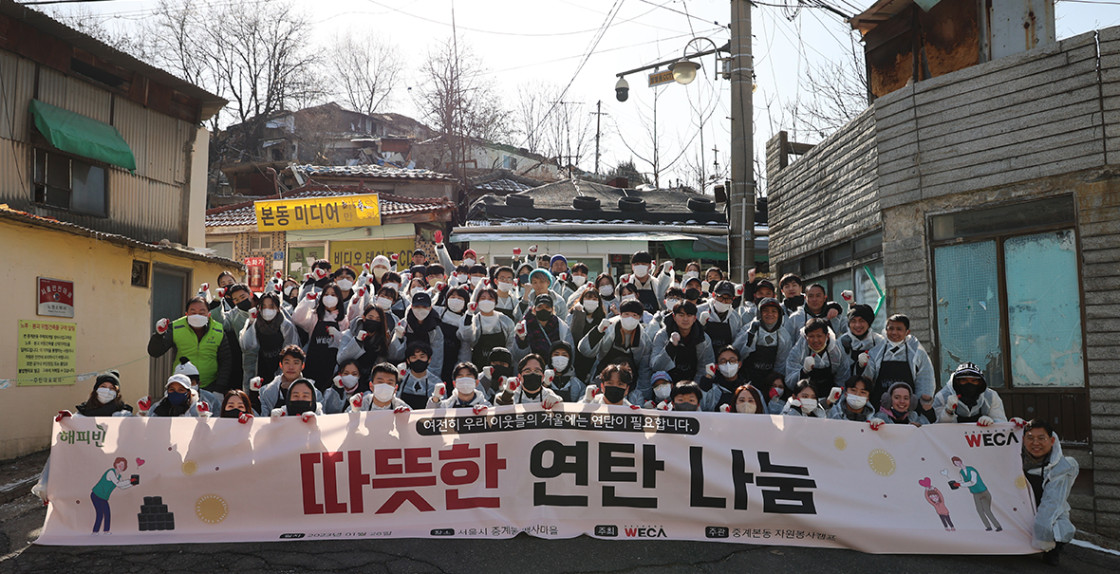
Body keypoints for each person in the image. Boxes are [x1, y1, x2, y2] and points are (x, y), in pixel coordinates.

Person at [148, 296, 234, 394]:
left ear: (209, 314)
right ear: (186, 314)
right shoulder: (176, 327)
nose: (197, 316)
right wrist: (159, 335)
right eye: (193, 312)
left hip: (210, 385)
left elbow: (226, 361)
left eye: (201, 313)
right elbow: (155, 352)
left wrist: (219, 388)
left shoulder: (218, 330)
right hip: (181, 386)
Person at [1022, 419, 1079, 564]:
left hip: (1047, 511)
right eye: (1030, 438)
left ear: (1052, 440)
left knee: (1062, 528)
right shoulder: (1015, 459)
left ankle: (1052, 550)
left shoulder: (1063, 466)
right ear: (1023, 440)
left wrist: (1043, 536)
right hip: (1019, 507)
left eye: (1041, 438)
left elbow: (1052, 502)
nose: (1035, 443)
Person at [579, 300, 653, 403]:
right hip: (604, 374)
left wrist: (644, 395)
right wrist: (598, 331)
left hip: (628, 380)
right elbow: (584, 350)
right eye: (626, 314)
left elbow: (644, 369)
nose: (630, 318)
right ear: (620, 314)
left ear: (640, 318)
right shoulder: (608, 327)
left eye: (634, 315)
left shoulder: (644, 339)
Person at [864, 314, 936, 410]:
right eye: (891, 328)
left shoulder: (916, 352)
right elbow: (867, 380)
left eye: (899, 329)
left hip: (907, 408)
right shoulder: (876, 352)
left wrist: (920, 405)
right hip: (880, 407)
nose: (894, 332)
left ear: (907, 332)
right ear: (886, 330)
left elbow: (925, 380)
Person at [239, 292, 301, 393]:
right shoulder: (256, 323)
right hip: (260, 367)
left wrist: (281, 374)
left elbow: (290, 350)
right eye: (264, 306)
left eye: (271, 306)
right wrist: (250, 322)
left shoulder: (286, 325)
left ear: (278, 308)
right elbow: (246, 345)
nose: (267, 310)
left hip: (279, 366)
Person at [292, 284, 348, 392]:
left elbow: (345, 343)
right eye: (326, 294)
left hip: (332, 364)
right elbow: (297, 318)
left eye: (333, 294)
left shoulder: (343, 320)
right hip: (313, 362)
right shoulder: (315, 315)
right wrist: (307, 301)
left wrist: (338, 335)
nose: (329, 297)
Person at [651, 300, 716, 386]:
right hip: (667, 383)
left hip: (693, 383)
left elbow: (706, 367)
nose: (685, 319)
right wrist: (671, 346)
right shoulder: (662, 335)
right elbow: (656, 366)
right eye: (681, 315)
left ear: (694, 318)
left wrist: (694, 388)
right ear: (674, 316)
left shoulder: (703, 338)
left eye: (689, 315)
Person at [735, 297, 794, 388]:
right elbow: (738, 354)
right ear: (760, 313)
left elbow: (781, 364)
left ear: (779, 314)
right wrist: (750, 336)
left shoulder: (784, 335)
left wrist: (774, 383)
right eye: (766, 311)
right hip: (746, 377)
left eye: (774, 311)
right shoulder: (748, 329)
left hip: (769, 380)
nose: (770, 314)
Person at [784, 317, 845, 399]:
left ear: (827, 336)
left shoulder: (837, 352)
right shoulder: (798, 352)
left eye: (819, 336)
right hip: (804, 398)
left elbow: (843, 377)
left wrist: (836, 398)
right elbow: (789, 381)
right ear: (805, 337)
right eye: (811, 336)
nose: (815, 340)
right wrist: (804, 371)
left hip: (829, 397)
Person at [389, 291, 445, 377]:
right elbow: (393, 355)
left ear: (430, 308)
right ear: (411, 307)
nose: (420, 310)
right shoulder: (403, 324)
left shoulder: (435, 329)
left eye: (424, 307)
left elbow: (436, 359)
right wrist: (398, 339)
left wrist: (430, 378)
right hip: (403, 369)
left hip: (426, 370)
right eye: (417, 306)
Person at [256, 345, 324, 415]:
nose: (291, 367)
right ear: (281, 365)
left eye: (296, 363)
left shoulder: (315, 393)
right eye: (287, 363)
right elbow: (263, 418)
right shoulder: (267, 392)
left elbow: (322, 417)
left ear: (302, 366)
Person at [933, 362, 1007, 425]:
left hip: (981, 436)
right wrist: (948, 411)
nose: (969, 384)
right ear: (957, 382)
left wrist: (992, 423)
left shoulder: (990, 396)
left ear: (980, 383)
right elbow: (935, 428)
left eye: (974, 381)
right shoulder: (942, 396)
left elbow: (1002, 424)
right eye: (964, 380)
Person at [461, 286, 516, 370]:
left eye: (490, 299)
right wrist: (469, 314)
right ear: (477, 302)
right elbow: (467, 340)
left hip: (501, 366)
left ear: (496, 302)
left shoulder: (505, 320)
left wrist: (505, 361)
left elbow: (511, 343)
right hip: (479, 366)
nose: (486, 301)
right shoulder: (474, 320)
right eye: (483, 298)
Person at [337, 305, 393, 381]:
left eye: (377, 319)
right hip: (347, 377)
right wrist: (357, 341)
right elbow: (340, 359)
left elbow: (379, 364)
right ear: (364, 317)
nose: (373, 321)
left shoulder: (382, 339)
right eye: (370, 317)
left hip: (367, 380)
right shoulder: (349, 334)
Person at [511, 294, 574, 362]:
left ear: (552, 309)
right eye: (540, 307)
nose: (543, 309)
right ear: (534, 309)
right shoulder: (525, 326)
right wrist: (521, 340)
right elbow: (517, 356)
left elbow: (570, 351)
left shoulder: (562, 327)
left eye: (547, 307)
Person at [950, 455, 1002, 532]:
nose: (957, 464)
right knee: (979, 510)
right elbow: (963, 481)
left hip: (983, 492)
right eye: (955, 463)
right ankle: (988, 526)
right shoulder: (961, 472)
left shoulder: (971, 470)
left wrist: (960, 485)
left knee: (986, 510)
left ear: (960, 461)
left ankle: (998, 526)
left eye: (957, 462)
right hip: (975, 493)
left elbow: (973, 482)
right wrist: (956, 483)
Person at [494, 354, 564, 406]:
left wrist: (558, 402)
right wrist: (507, 394)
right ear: (519, 376)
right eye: (528, 371)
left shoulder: (548, 394)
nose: (532, 374)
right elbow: (499, 404)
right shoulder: (512, 394)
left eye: (537, 371)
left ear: (543, 376)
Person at [567, 287, 606, 382]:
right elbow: (573, 336)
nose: (591, 301)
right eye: (588, 298)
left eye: (594, 299)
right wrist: (579, 315)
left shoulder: (601, 319)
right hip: (575, 358)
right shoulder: (573, 315)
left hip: (593, 360)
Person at [837, 303, 885, 379]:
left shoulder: (879, 342)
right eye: (853, 321)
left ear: (869, 323)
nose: (857, 325)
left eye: (862, 321)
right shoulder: (840, 342)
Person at [698, 346, 751, 412]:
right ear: (717, 366)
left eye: (732, 361)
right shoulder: (712, 390)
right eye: (723, 361)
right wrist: (707, 379)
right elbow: (701, 408)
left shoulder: (749, 389)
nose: (728, 364)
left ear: (739, 364)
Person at [90, 457, 133, 534]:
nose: (121, 466)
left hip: (103, 497)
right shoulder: (111, 472)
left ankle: (106, 531)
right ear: (116, 464)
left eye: (123, 465)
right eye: (120, 464)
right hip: (96, 495)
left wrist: (132, 484)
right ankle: (95, 531)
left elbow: (121, 487)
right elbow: (118, 483)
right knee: (100, 513)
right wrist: (130, 480)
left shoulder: (119, 476)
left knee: (107, 514)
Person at [396, 341, 443, 410]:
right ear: (408, 361)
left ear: (429, 359)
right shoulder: (401, 378)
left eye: (422, 357)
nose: (418, 360)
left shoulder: (436, 382)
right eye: (414, 357)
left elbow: (442, 407)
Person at [699, 281, 743, 350]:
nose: (723, 301)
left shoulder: (736, 318)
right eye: (720, 297)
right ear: (713, 295)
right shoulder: (699, 311)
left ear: (733, 299)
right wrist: (700, 326)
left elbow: (737, 343)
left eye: (728, 299)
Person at [143, 374, 208, 417]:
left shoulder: (196, 409)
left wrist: (203, 416)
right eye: (172, 389)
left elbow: (204, 430)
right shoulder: (157, 408)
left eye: (181, 390)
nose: (176, 393)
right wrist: (143, 413)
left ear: (188, 393)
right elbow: (146, 428)